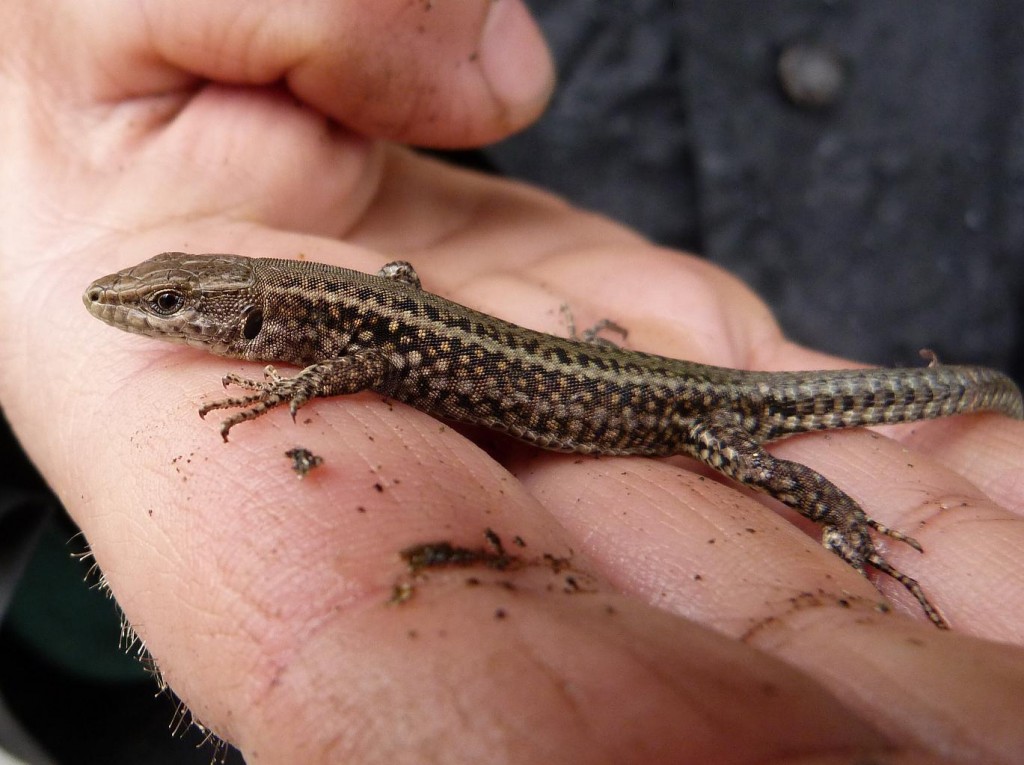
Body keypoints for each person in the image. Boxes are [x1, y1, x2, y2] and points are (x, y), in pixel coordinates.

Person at [0, 2, 1021, 762]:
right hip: (84, 687)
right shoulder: (329, 312)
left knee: (742, 462)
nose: (151, 314)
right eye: (165, 303)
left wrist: (282, 390)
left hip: (673, 400)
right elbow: (390, 299)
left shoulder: (330, 337)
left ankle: (853, 522)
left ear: (249, 313)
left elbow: (369, 345)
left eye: (173, 306)